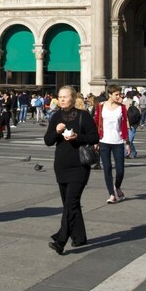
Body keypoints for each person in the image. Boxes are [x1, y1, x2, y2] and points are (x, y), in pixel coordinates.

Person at [44, 86, 99, 255]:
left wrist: (77, 137)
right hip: (61, 166)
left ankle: (61, 240)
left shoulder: (84, 116)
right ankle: (79, 237)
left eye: (65, 97)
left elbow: (94, 137)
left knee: (71, 203)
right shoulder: (56, 117)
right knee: (70, 204)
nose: (61, 99)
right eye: (59, 96)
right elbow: (48, 141)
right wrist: (57, 131)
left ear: (73, 98)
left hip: (79, 166)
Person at [93, 85, 129, 203]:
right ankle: (111, 194)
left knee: (120, 170)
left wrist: (127, 142)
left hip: (118, 141)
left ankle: (117, 186)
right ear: (110, 95)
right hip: (104, 141)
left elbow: (124, 126)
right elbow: (97, 123)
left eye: (120, 94)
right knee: (107, 168)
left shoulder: (122, 108)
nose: (119, 96)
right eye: (116, 94)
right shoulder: (101, 106)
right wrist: (95, 141)